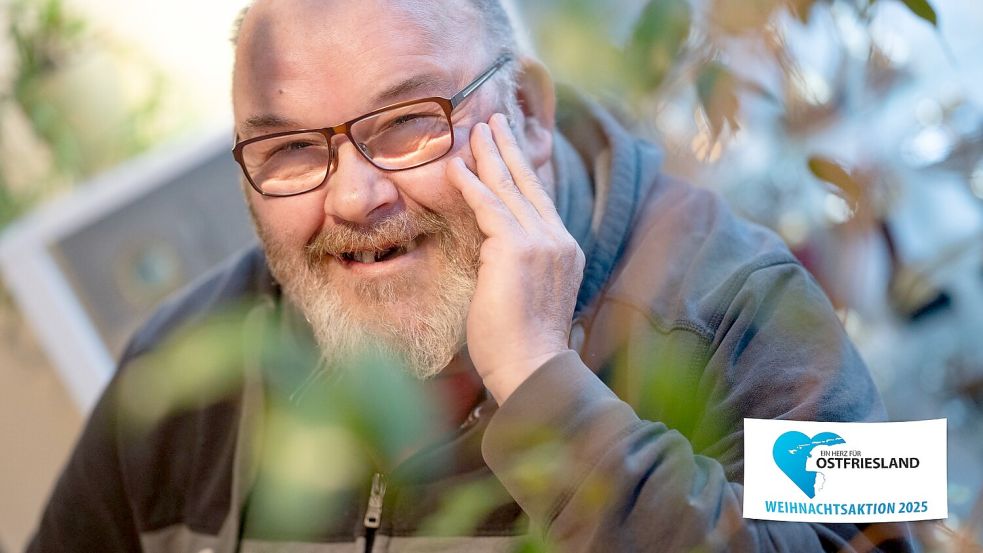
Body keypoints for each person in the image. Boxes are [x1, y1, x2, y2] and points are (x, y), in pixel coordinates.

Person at [29, 0, 914, 551]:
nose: (354, 195)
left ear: (526, 111)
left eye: (407, 122)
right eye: (291, 148)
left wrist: (543, 385)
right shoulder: (176, 367)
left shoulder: (743, 296)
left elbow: (891, 535)